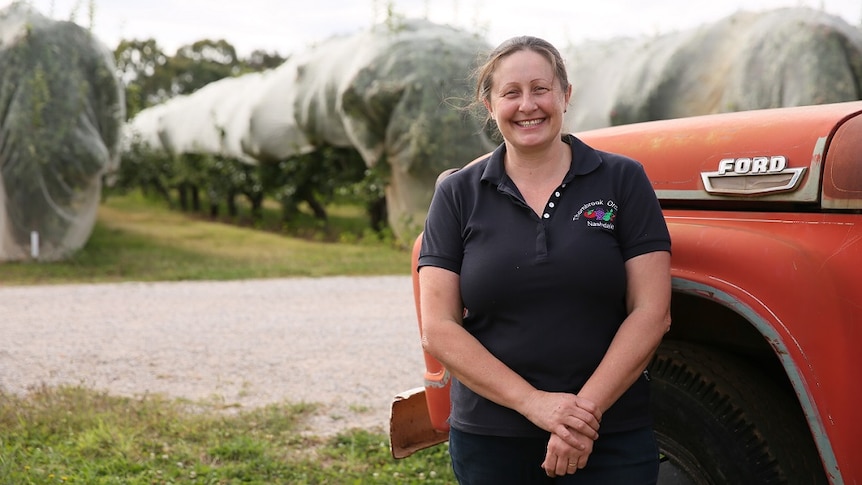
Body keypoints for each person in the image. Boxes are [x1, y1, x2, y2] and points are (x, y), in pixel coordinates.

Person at [417, 35, 672, 484]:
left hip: (609, 433)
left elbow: (651, 312)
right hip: (492, 441)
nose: (527, 105)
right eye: (511, 93)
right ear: (488, 104)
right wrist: (536, 404)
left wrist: (579, 416)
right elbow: (438, 327)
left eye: (540, 88)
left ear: (565, 95)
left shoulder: (622, 179)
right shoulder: (456, 193)